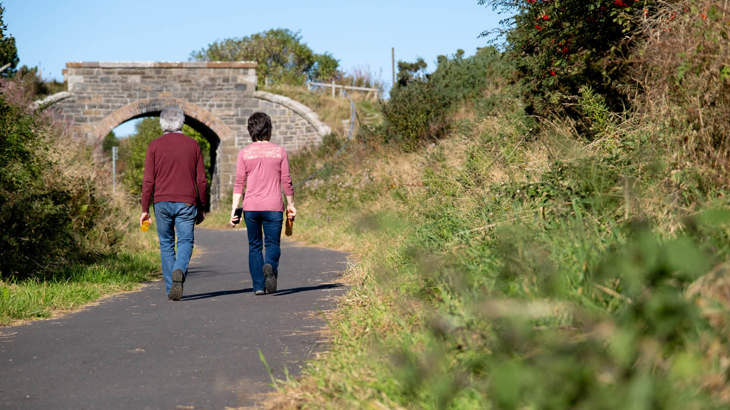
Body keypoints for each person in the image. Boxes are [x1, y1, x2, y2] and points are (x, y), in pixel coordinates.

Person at [140, 106, 207, 301]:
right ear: (181, 123)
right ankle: (179, 269)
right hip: (187, 202)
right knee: (185, 241)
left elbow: (148, 181)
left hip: (161, 202)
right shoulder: (193, 145)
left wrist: (145, 208)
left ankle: (172, 287)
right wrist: (201, 206)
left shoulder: (154, 145)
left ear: (162, 124)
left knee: (166, 243)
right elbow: (201, 180)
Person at [230, 112, 296, 295]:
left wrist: (234, 210)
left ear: (251, 130)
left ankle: (259, 286)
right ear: (269, 129)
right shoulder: (279, 151)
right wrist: (291, 204)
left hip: (251, 207)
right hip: (274, 206)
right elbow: (286, 180)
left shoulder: (244, 153)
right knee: (273, 244)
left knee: (254, 246)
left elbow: (238, 184)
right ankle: (270, 265)